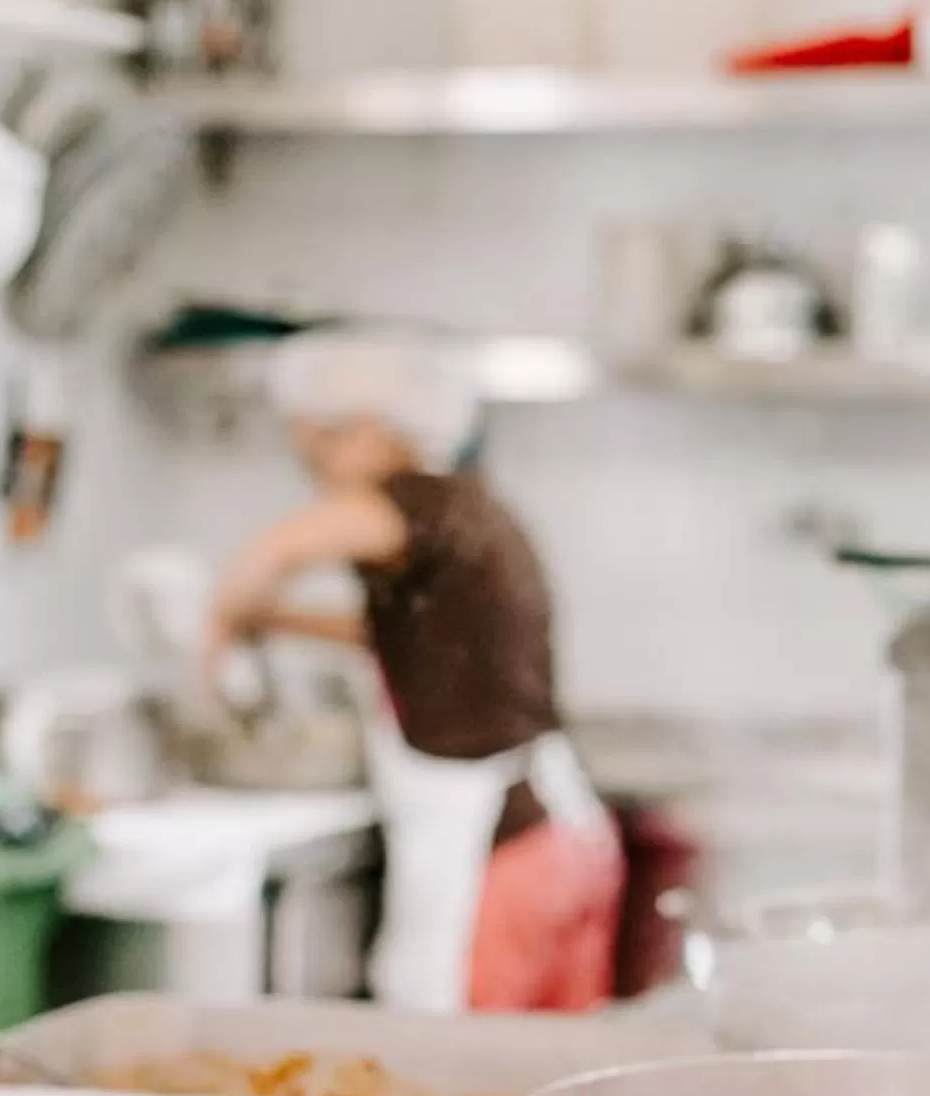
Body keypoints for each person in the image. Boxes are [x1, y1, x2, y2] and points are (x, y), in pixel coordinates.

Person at [198, 331, 621, 1013]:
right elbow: (403, 635)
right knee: (542, 1083)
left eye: (320, 443)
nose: (318, 469)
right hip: (558, 840)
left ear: (371, 428)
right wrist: (274, 622)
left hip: (500, 852)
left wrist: (217, 628)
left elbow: (285, 544)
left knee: (461, 1066)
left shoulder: (414, 501)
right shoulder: (466, 513)